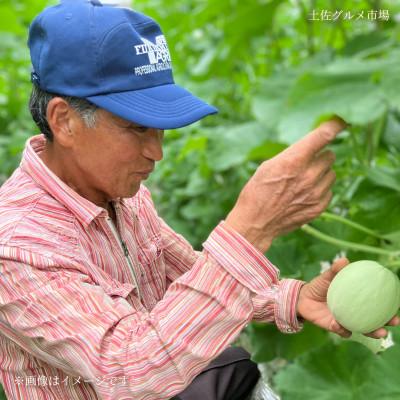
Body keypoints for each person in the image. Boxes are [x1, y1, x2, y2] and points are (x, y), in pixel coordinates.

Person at [0, 1, 398, 399]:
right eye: (138, 128)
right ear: (64, 120)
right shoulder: (18, 244)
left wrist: (290, 299)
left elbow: (189, 275)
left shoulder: (121, 194)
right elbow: (129, 370)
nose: (157, 152)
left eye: (160, 129)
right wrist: (250, 226)